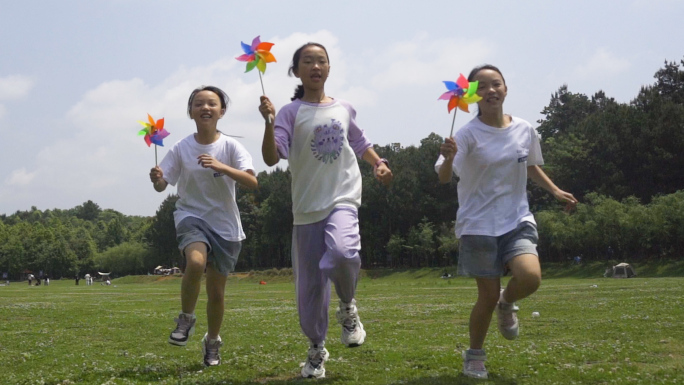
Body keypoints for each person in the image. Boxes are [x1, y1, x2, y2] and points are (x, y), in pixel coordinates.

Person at [259, 42, 393, 379]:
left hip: (343, 196)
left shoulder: (344, 107)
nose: (315, 66)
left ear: (329, 68)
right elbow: (273, 157)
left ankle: (348, 308)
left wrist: (378, 164)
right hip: (306, 208)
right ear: (297, 71)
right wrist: (268, 122)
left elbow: (361, 143)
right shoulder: (290, 113)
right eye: (308, 61)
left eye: (321, 61)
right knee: (311, 290)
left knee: (344, 253)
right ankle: (316, 349)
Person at [435, 64, 578, 379]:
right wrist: (447, 157)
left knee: (530, 277)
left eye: (495, 84)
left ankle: (507, 302)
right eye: (481, 87)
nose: (490, 91)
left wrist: (555, 190)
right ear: (470, 95)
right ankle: (474, 356)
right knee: (484, 297)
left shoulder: (524, 129)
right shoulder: (466, 134)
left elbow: (530, 165)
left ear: (506, 88)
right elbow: (445, 178)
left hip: (516, 218)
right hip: (478, 224)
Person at [149, 85, 258, 367]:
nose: (205, 108)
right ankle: (185, 319)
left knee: (217, 293)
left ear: (221, 111)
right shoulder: (181, 147)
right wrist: (157, 178)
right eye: (199, 104)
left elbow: (251, 181)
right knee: (195, 263)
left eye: (212, 103)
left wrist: (222, 167)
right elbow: (163, 186)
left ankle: (212, 341)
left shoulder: (231, 147)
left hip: (225, 225)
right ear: (191, 112)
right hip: (191, 216)